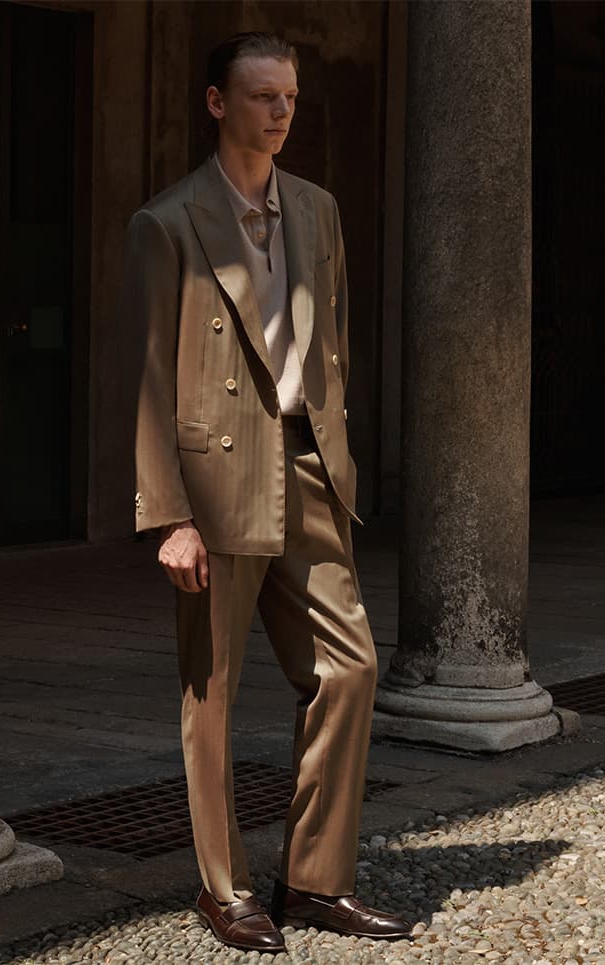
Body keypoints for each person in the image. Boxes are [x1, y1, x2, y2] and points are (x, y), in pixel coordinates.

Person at [123, 31, 413, 952]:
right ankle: (224, 888)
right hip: (215, 480)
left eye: (289, 96)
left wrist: (336, 443)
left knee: (352, 666)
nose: (281, 112)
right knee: (211, 693)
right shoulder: (167, 222)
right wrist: (167, 514)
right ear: (217, 103)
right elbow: (148, 377)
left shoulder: (320, 210)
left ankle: (316, 880)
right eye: (261, 97)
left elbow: (334, 341)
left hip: (308, 466)